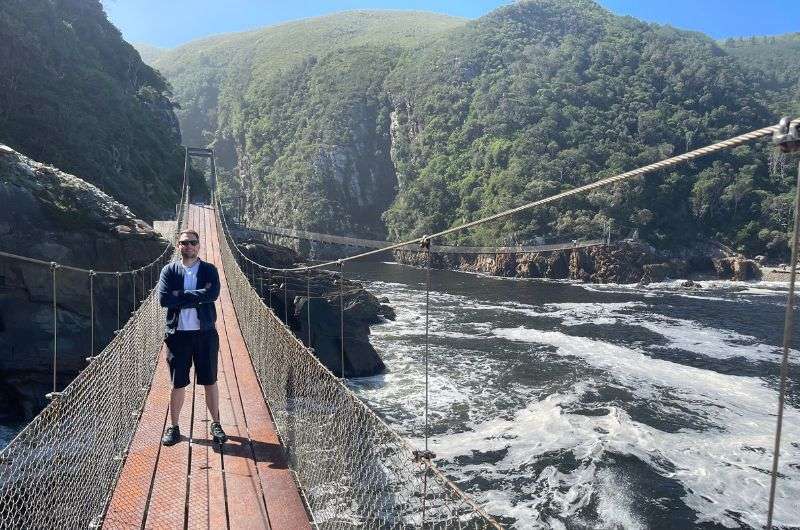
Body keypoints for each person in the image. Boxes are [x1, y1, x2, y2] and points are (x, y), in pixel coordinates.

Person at [157, 228, 227, 446]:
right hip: (178, 336)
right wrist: (198, 296)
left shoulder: (209, 270)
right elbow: (165, 300)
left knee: (210, 380)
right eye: (184, 242)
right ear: (178, 246)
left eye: (192, 242)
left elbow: (213, 294)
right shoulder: (169, 271)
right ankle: (174, 427)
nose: (188, 246)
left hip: (205, 334)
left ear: (199, 245)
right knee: (177, 383)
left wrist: (181, 296)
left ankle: (216, 424)